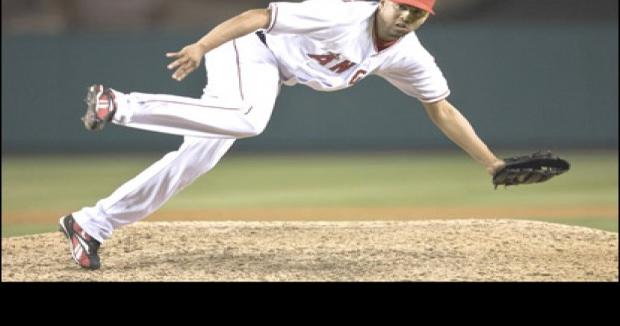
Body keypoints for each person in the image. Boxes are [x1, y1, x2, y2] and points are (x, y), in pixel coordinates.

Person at [59, 0, 506, 270]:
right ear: (382, 2)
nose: (407, 16)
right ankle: (119, 104)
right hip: (250, 49)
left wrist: (492, 163)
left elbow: (441, 108)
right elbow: (257, 16)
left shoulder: (408, 55)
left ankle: (90, 224)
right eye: (400, 5)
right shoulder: (341, 15)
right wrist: (201, 46)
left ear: (428, 16)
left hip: (273, 70)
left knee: (196, 159)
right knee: (250, 119)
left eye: (418, 12)